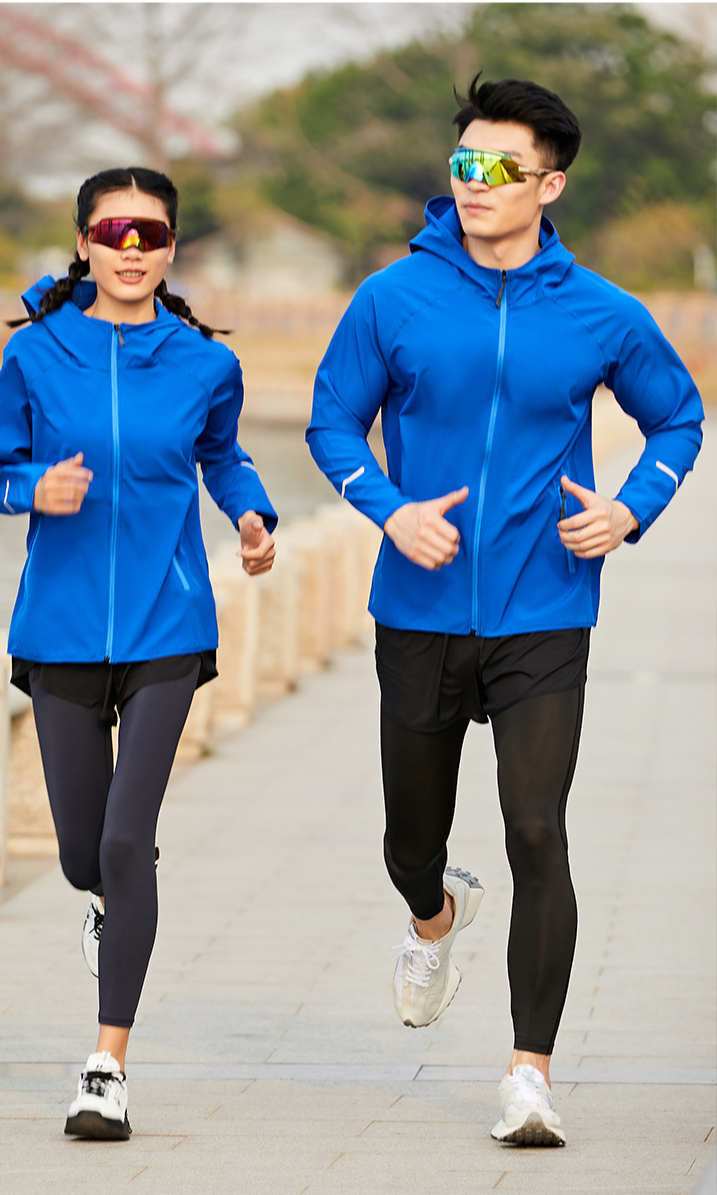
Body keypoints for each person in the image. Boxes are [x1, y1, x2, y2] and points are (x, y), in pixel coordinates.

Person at [306, 75, 703, 1145]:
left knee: (536, 826)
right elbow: (332, 421)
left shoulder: (602, 311)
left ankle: (529, 1075)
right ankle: (432, 913)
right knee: (408, 841)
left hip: (545, 608)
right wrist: (389, 510)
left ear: (549, 184)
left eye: (497, 168)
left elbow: (678, 419)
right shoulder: (392, 298)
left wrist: (631, 508)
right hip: (419, 607)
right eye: (463, 164)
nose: (472, 183)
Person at [0, 166, 277, 1141]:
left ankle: (106, 1065)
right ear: (84, 243)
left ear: (172, 246)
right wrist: (33, 489)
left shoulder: (203, 362)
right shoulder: (35, 354)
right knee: (81, 856)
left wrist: (253, 516)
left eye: (151, 233)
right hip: (59, 630)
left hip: (165, 628)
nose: (132, 248)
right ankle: (112, 900)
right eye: (113, 232)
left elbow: (223, 456)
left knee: (122, 840)